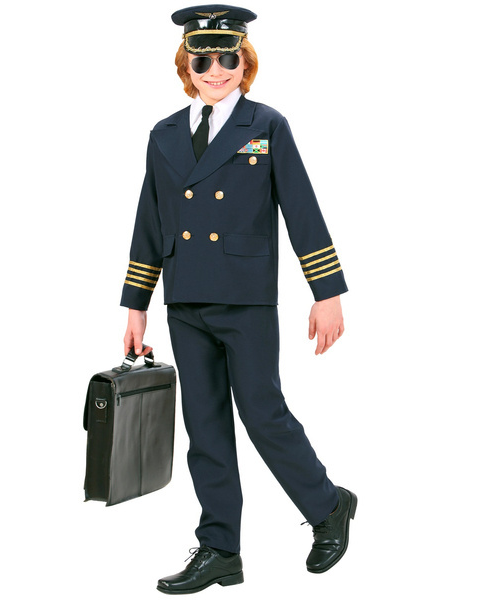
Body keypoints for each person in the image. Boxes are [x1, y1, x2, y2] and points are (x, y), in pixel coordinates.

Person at [121, 5, 357, 595]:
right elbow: (149, 221)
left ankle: (328, 506)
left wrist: (326, 291)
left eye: (228, 58)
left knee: (262, 413)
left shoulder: (266, 124)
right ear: (186, 66)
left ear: (245, 62)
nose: (216, 71)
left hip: (245, 297)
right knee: (204, 427)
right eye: (202, 60)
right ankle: (220, 548)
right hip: (185, 297)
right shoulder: (164, 133)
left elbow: (300, 207)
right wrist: (136, 304)